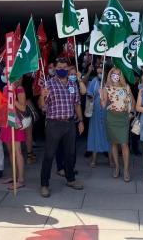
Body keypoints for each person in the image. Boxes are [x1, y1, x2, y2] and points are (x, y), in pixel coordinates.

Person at [38, 58, 84, 198]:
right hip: (54, 124)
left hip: (70, 123)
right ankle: (44, 184)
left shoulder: (73, 85)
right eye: (59, 67)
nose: (62, 69)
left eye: (65, 67)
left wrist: (81, 120)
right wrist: (41, 96)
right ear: (56, 69)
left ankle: (70, 179)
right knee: (49, 155)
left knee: (70, 153)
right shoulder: (49, 84)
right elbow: (41, 105)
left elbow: (77, 104)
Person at [99, 66, 136, 182]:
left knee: (124, 144)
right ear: (110, 75)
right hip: (111, 117)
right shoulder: (107, 88)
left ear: (121, 76)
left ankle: (126, 170)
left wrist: (131, 113)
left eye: (118, 74)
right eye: (113, 74)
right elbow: (103, 105)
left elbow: (133, 101)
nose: (116, 76)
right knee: (114, 143)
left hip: (123, 117)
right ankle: (117, 167)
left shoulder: (126, 87)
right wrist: (101, 95)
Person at [55, 66, 86, 176]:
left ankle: (71, 166)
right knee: (61, 145)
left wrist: (80, 79)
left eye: (74, 74)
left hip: (75, 119)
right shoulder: (61, 85)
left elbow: (84, 91)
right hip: (61, 119)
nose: (72, 76)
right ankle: (60, 166)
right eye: (71, 74)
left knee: (72, 145)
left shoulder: (76, 84)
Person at [0, 77, 27, 190]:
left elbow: (23, 107)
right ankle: (14, 175)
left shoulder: (19, 89)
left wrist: (13, 100)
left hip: (16, 122)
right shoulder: (5, 88)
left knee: (17, 151)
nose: (5, 75)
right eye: (4, 72)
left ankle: (20, 179)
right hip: (6, 121)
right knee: (10, 151)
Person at [86, 64, 112, 167]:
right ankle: (93, 159)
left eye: (101, 72)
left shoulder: (110, 82)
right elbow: (89, 93)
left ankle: (111, 159)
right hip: (96, 110)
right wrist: (91, 97)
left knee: (109, 133)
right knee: (95, 132)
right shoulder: (94, 81)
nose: (99, 74)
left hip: (108, 110)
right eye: (98, 73)